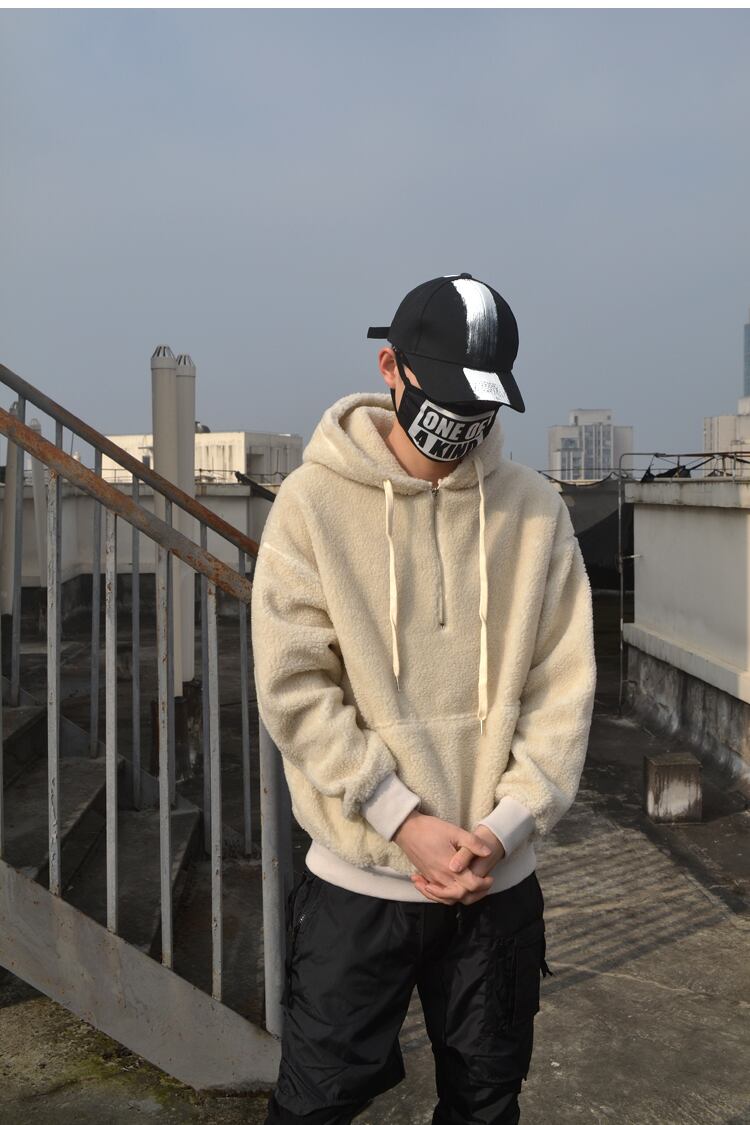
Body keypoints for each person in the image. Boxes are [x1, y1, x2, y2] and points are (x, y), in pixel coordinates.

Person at [251, 272, 597, 1124]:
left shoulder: (535, 512)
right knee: (314, 1105)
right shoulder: (311, 504)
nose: (460, 421)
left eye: (480, 402)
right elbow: (295, 686)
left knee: (485, 1104)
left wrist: (503, 829)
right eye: (443, 392)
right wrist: (401, 816)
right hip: (357, 882)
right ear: (390, 369)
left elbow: (563, 688)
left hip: (495, 884)